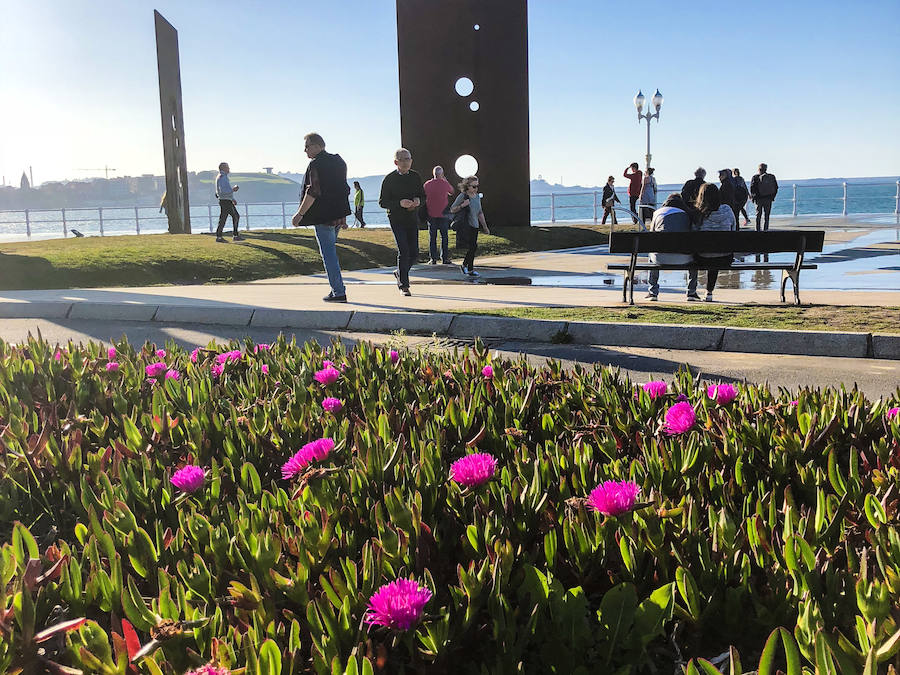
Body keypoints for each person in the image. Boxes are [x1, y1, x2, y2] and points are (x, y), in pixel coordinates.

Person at [290, 133, 352, 303]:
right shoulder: (339, 161)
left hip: (323, 217)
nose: (305, 150)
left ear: (317, 146)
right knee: (331, 251)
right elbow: (344, 190)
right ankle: (337, 290)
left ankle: (338, 292)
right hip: (338, 215)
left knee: (329, 254)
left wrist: (300, 214)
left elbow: (313, 191)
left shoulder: (316, 164)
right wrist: (344, 216)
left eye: (307, 146)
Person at [379, 148, 426, 296]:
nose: (406, 162)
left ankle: (400, 272)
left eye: (408, 159)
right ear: (396, 162)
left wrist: (419, 201)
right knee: (404, 251)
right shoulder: (389, 179)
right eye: (403, 159)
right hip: (396, 218)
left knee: (414, 253)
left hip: (412, 218)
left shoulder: (415, 176)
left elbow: (423, 196)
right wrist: (400, 203)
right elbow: (382, 202)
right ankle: (404, 285)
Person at [688, 183, 736, 302]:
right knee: (717, 251)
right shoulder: (727, 210)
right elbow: (733, 229)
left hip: (702, 257)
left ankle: (691, 291)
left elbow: (693, 234)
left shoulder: (698, 214)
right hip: (725, 257)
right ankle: (709, 292)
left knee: (703, 252)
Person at [645, 193, 693, 301]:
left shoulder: (658, 213)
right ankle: (691, 293)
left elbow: (651, 236)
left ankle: (653, 292)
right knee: (693, 252)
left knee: (651, 253)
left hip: (660, 258)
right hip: (683, 259)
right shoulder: (687, 214)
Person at [449, 175, 490, 276]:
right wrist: (462, 205)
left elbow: (480, 212)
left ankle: (464, 266)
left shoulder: (477, 197)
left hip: (474, 225)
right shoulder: (463, 196)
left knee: (473, 247)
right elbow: (452, 209)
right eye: (473, 186)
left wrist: (485, 227)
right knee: (472, 247)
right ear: (467, 186)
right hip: (466, 225)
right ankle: (469, 269)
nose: (476, 189)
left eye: (477, 186)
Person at [423, 166, 455, 264]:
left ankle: (433, 259)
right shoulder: (445, 183)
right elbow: (452, 192)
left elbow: (423, 195)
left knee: (432, 237)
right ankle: (444, 258)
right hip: (443, 214)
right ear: (441, 174)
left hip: (431, 213)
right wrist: (446, 181)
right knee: (444, 236)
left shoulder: (427, 184)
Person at [215, 162, 243, 242]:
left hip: (225, 200)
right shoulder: (222, 177)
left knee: (223, 218)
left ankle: (219, 236)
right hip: (225, 201)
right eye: (227, 167)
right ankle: (235, 235)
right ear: (224, 168)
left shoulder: (221, 177)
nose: (229, 169)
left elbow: (221, 191)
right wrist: (233, 190)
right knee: (235, 216)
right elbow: (223, 190)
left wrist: (232, 198)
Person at [750, 163, 778, 231]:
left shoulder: (755, 177)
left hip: (758, 199)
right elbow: (776, 187)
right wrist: (772, 197)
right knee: (767, 216)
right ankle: (766, 230)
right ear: (766, 169)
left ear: (759, 169)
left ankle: (758, 230)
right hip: (768, 199)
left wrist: (754, 197)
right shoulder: (771, 177)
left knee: (758, 216)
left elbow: (752, 188)